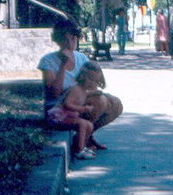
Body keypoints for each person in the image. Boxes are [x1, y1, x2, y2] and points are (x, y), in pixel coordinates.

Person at [38, 19, 123, 151]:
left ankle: (88, 135)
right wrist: (63, 65)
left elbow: (91, 85)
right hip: (59, 108)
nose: (70, 44)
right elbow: (54, 93)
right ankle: (82, 141)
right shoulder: (48, 61)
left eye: (73, 39)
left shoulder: (81, 58)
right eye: (65, 40)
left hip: (79, 102)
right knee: (100, 101)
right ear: (58, 41)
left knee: (115, 103)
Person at [46, 62, 106, 159]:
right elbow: (67, 104)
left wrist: (96, 93)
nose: (93, 83)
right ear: (82, 76)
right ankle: (79, 151)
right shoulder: (75, 89)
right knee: (82, 124)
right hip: (59, 117)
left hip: (69, 116)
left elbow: (88, 95)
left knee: (89, 125)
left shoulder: (84, 91)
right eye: (90, 79)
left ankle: (83, 146)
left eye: (96, 81)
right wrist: (83, 109)